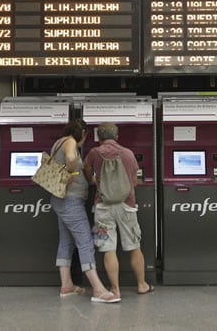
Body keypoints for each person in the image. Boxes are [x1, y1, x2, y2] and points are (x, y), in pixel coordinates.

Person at [49, 118, 120, 303]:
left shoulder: (58, 143)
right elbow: (72, 159)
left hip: (60, 200)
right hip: (70, 202)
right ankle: (98, 289)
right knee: (85, 242)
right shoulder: (70, 141)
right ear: (82, 133)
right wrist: (70, 173)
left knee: (66, 242)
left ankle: (67, 285)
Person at [83, 122, 155, 298]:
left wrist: (94, 180)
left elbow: (86, 170)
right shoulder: (128, 154)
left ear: (99, 137)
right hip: (127, 206)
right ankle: (142, 284)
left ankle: (115, 289)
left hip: (102, 207)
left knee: (108, 249)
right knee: (134, 246)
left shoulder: (94, 153)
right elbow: (134, 182)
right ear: (117, 136)